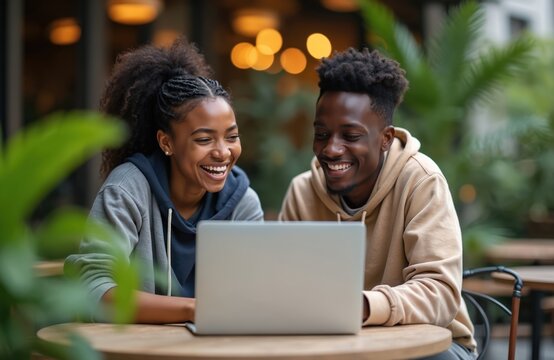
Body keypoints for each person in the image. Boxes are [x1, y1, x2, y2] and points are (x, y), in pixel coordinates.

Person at [278, 48, 476, 359]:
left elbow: (440, 293)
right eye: (321, 134)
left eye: (350, 136)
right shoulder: (303, 192)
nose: (331, 149)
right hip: (336, 346)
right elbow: (283, 285)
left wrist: (363, 306)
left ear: (385, 138)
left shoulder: (421, 180)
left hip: (432, 345)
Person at [66, 38, 263, 324]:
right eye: (204, 139)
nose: (222, 152)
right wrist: (193, 309)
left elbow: (257, 292)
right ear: (166, 142)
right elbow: (94, 290)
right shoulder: (127, 191)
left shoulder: (242, 202)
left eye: (232, 137)